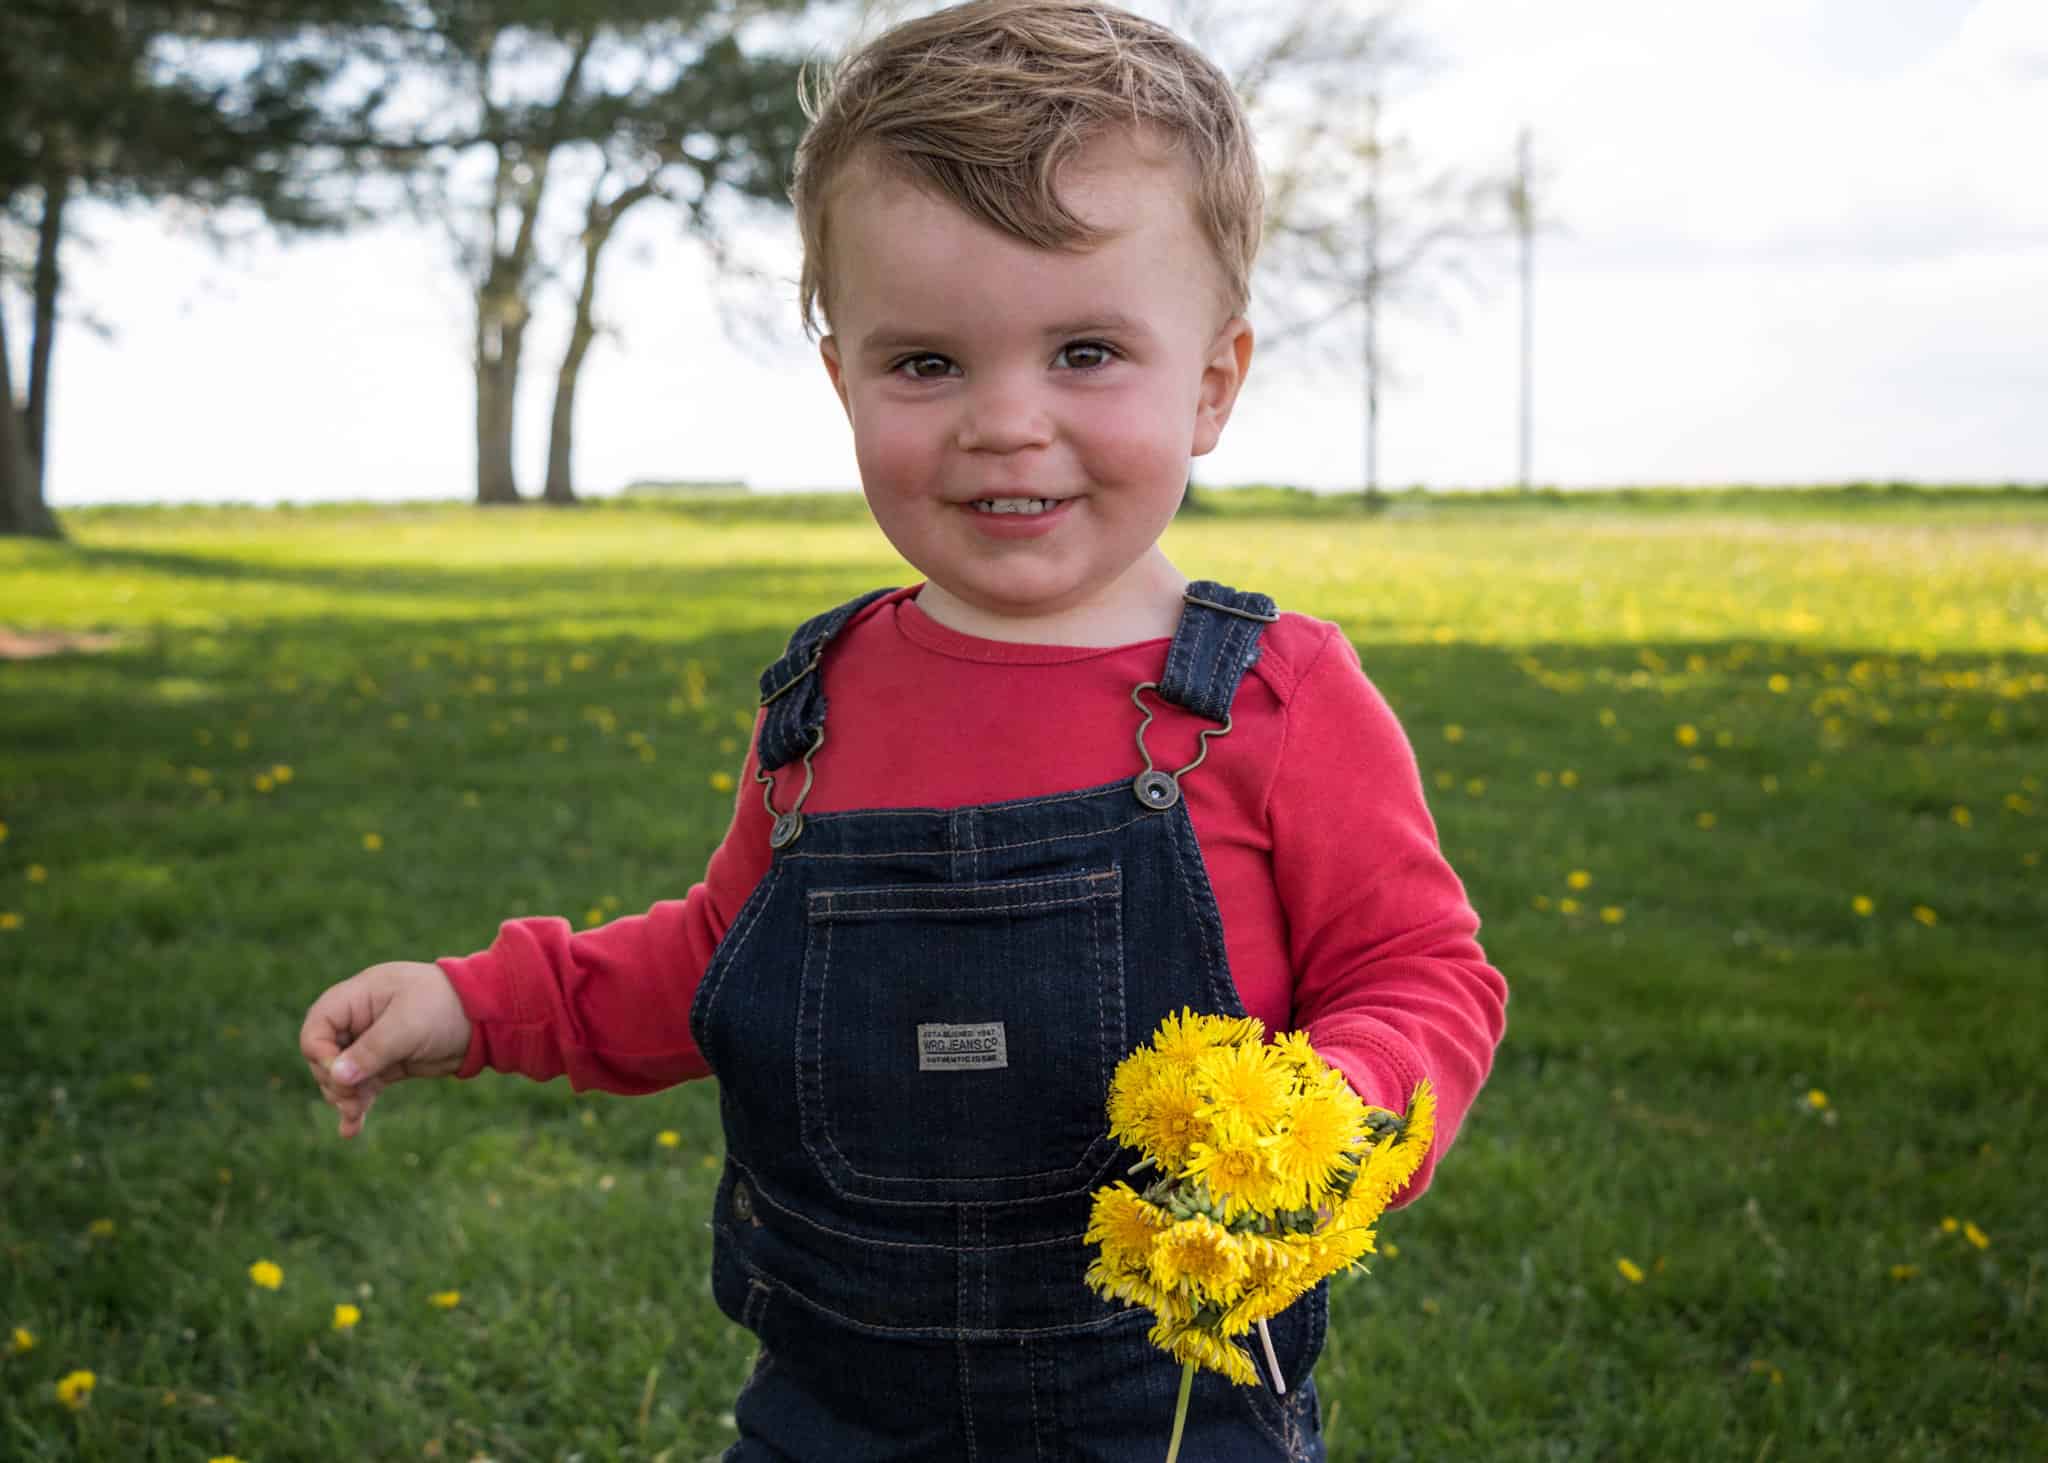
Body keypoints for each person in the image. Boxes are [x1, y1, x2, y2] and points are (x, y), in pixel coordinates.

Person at [298, 2, 1508, 1458]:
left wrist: (1345, 1112)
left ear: (1213, 383)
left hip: (1173, 1410)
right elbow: (717, 958)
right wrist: (481, 1003)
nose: (1005, 422)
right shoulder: (826, 699)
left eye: (1084, 352)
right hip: (831, 1410)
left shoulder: (1276, 697)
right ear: (844, 380)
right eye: (926, 363)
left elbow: (1421, 973)